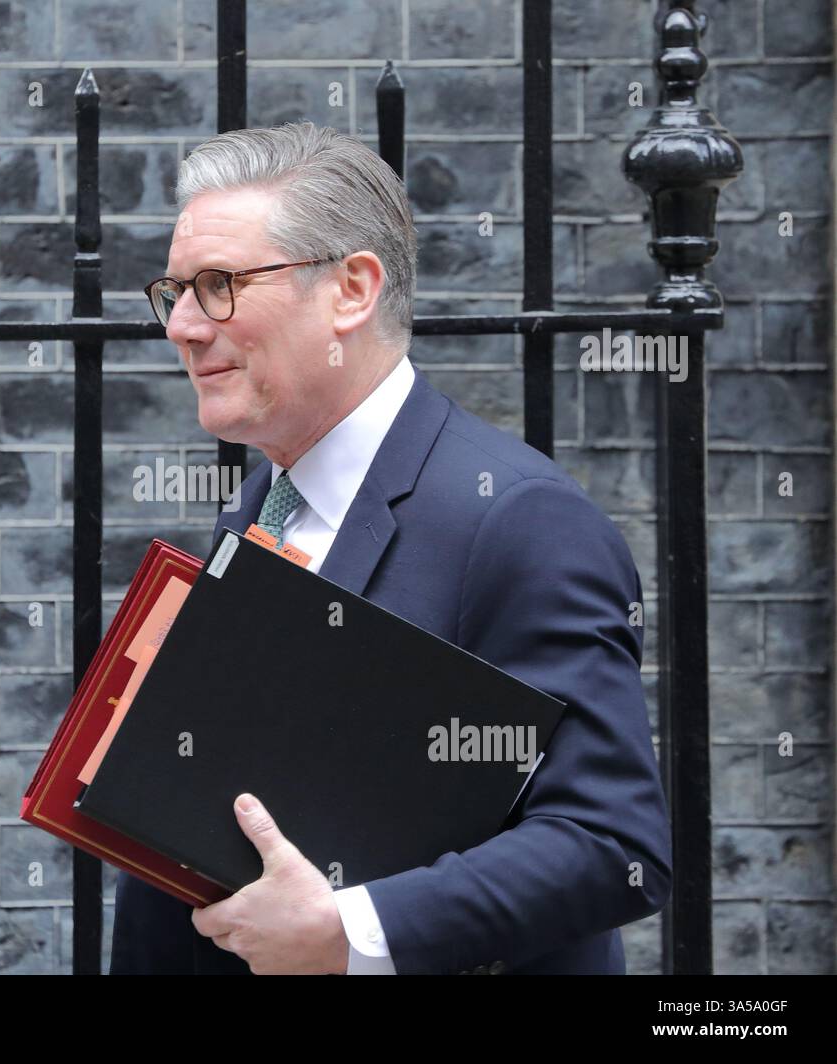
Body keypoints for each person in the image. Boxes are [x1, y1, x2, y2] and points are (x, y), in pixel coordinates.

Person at [109, 121, 672, 975]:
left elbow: (610, 843)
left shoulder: (519, 520)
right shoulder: (264, 500)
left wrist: (351, 932)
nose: (183, 326)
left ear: (352, 290)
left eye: (219, 285)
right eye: (177, 291)